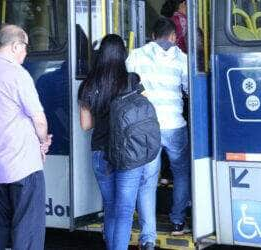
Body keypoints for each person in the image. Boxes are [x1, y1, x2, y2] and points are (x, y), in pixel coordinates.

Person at [78, 34, 159, 250]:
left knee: (111, 208)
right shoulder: (131, 80)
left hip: (100, 153)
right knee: (124, 211)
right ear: (123, 54)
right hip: (128, 154)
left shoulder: (88, 85)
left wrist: (102, 114)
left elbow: (85, 125)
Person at [126, 17, 190, 236]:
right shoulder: (183, 59)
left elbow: (129, 87)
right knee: (181, 173)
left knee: (148, 178)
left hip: (147, 126)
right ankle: (178, 222)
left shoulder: (135, 55)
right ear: (174, 36)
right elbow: (190, 90)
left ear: (152, 36)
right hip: (174, 125)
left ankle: (148, 230)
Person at [0, 24, 52, 250]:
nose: (26, 53)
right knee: (28, 231)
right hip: (23, 166)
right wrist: (43, 142)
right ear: (15, 46)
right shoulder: (18, 75)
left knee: (1, 229)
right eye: (25, 47)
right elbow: (39, 119)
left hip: (0, 169)